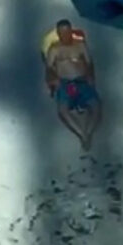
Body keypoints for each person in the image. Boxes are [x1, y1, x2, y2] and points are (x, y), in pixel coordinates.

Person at [44, 19, 102, 151]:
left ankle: (88, 132)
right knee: (62, 110)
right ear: (58, 34)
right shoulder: (55, 49)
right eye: (61, 33)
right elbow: (49, 68)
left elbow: (89, 63)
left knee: (96, 106)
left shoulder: (80, 45)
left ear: (71, 31)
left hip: (82, 81)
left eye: (67, 32)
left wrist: (91, 76)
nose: (65, 35)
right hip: (66, 83)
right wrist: (53, 81)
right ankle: (81, 134)